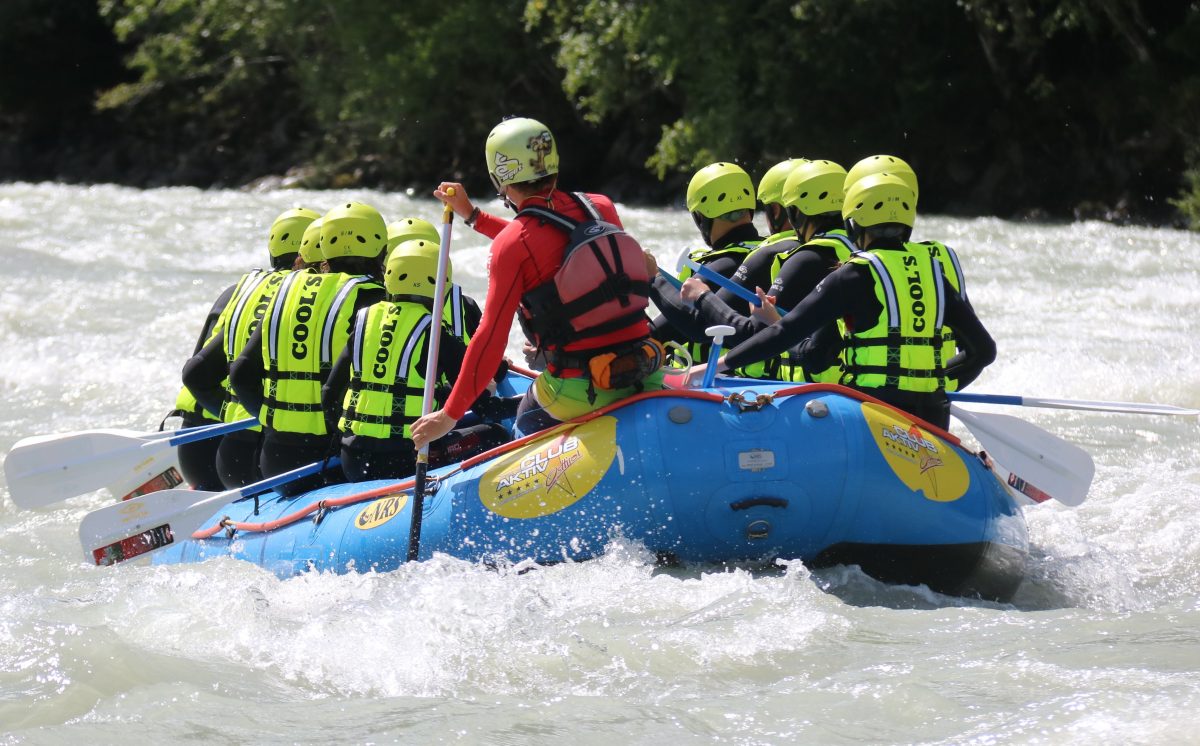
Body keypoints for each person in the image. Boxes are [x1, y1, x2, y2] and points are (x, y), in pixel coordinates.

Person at [410, 116, 661, 448]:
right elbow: (551, 242)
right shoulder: (599, 207)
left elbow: (490, 339)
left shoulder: (514, 245)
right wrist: (472, 215)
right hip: (645, 367)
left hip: (579, 389)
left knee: (522, 423)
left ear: (499, 178)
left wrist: (448, 416)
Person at [691, 174, 996, 429]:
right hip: (930, 419)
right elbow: (983, 351)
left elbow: (807, 351)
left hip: (873, 416)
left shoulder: (853, 275)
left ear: (854, 223)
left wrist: (717, 366)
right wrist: (937, 388)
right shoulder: (934, 273)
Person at [229, 201, 387, 496]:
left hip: (275, 458)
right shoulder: (373, 298)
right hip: (332, 462)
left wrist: (271, 418)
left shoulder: (285, 292)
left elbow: (240, 373)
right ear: (380, 247)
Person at [323, 239, 507, 482]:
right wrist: (530, 403)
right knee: (497, 434)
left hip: (353, 460)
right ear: (443, 284)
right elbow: (483, 407)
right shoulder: (435, 333)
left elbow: (329, 393)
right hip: (407, 461)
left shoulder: (363, 322)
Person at [172, 207, 319, 489]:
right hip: (246, 446)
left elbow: (197, 372)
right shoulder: (302, 302)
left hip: (200, 442)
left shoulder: (240, 288)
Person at [677, 159, 854, 381]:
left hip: (820, 394)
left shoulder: (805, 260)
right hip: (860, 390)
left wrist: (700, 296)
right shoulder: (863, 256)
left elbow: (764, 334)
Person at [845, 154, 971, 389]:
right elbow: (976, 350)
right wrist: (939, 386)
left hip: (872, 397)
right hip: (932, 397)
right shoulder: (939, 258)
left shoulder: (860, 265)